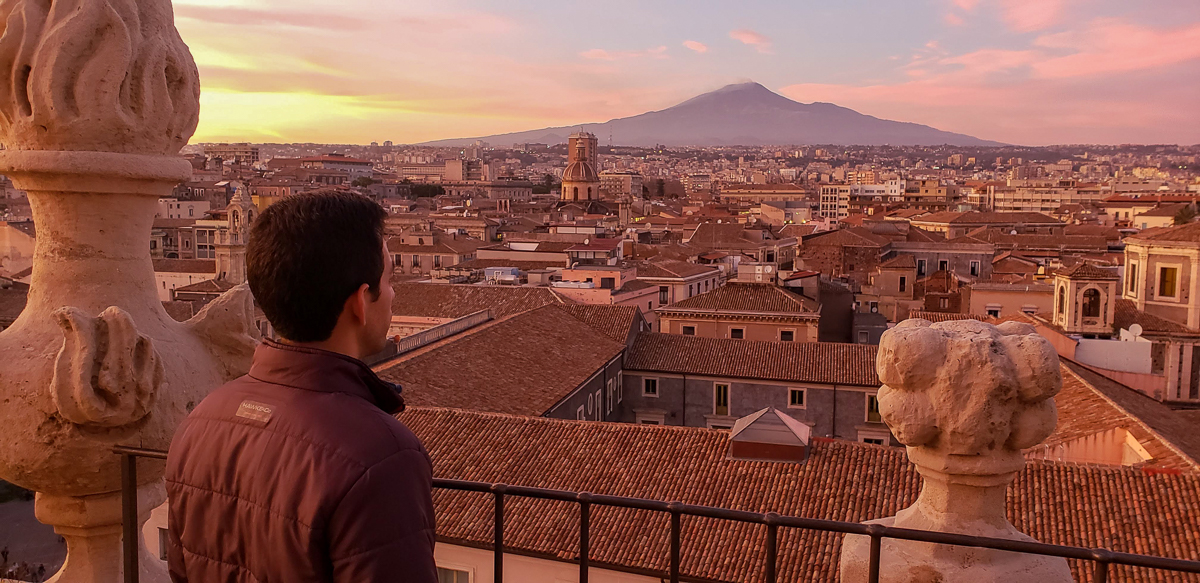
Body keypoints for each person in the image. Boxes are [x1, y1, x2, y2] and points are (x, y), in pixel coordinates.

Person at [165, 192, 436, 582]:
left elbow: (182, 570)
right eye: (389, 280)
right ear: (360, 302)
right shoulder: (381, 456)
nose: (393, 294)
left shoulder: (202, 420)